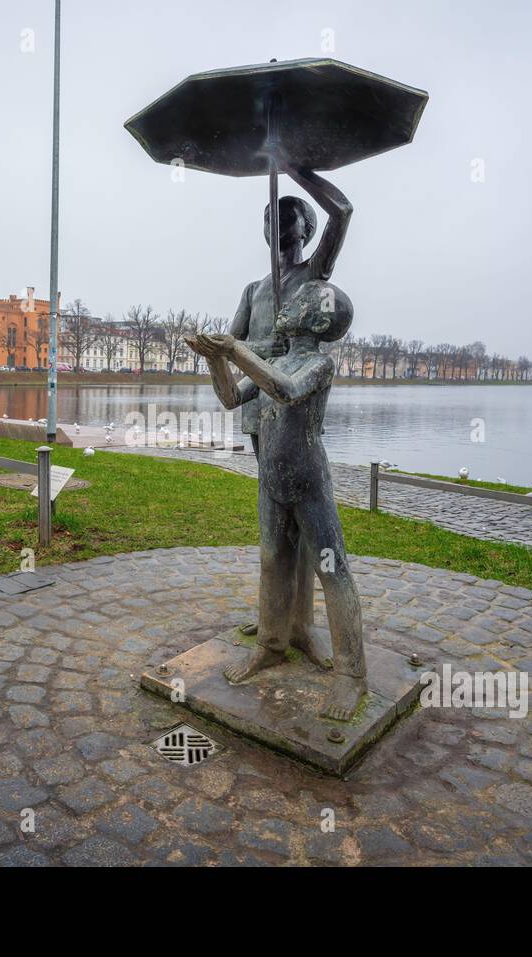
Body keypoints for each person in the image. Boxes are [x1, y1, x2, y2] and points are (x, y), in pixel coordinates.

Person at [187, 278, 366, 721]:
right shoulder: (280, 359)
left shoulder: (318, 365)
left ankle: (351, 675)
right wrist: (216, 362)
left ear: (317, 318)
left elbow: (285, 389)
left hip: (308, 482)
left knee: (332, 569)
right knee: (272, 560)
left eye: (301, 300)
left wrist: (234, 350)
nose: (287, 304)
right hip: (272, 480)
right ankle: (270, 645)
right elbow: (231, 399)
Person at [228, 164, 352, 640]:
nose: (275, 223)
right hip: (259, 407)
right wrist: (247, 353)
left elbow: (343, 212)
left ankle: (302, 623)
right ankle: (273, 620)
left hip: (296, 406)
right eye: (268, 216)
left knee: (305, 527)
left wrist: (296, 169)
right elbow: (231, 341)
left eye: (287, 215)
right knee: (276, 528)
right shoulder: (253, 289)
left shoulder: (314, 276)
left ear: (306, 226)